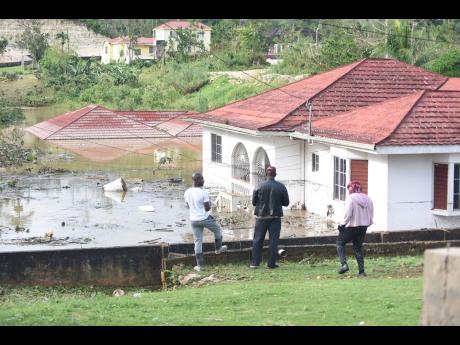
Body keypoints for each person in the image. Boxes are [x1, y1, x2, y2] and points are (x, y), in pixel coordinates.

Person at [184, 172, 227, 272]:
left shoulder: (187, 192)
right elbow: (207, 209)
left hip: (194, 220)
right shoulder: (203, 192)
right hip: (204, 219)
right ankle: (218, 248)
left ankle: (200, 266)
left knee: (198, 241)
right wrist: (210, 204)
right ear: (197, 180)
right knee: (217, 230)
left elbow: (187, 205)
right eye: (202, 179)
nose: (203, 181)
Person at [250, 166, 289, 269]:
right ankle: (271, 264)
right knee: (273, 241)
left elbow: (254, 202)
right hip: (275, 218)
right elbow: (286, 203)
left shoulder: (259, 185)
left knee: (258, 240)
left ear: (266, 174)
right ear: (275, 174)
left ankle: (254, 263)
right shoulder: (281, 187)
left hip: (261, 218)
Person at [336, 181, 374, 277]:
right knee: (358, 248)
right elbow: (371, 213)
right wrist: (367, 224)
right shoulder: (368, 199)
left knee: (340, 243)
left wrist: (342, 224)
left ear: (351, 189)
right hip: (363, 227)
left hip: (352, 226)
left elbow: (348, 214)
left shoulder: (350, 198)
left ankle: (344, 264)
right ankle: (361, 272)